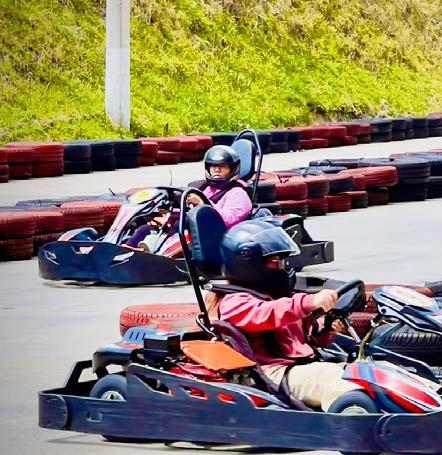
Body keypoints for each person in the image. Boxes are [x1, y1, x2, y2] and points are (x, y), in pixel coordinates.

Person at [208, 221, 362, 412]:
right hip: (274, 372)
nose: (281, 267)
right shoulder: (234, 302)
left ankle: (389, 407)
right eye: (274, 261)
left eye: (282, 260)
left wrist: (328, 331)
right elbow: (268, 313)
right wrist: (309, 302)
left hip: (301, 366)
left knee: (364, 371)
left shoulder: (274, 297)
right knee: (332, 379)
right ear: (247, 264)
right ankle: (357, 417)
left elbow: (305, 341)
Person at [125, 145, 252, 251]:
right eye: (213, 166)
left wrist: (202, 203)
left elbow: (230, 219)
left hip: (214, 238)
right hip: (187, 230)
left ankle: (151, 253)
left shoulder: (238, 193)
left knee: (180, 230)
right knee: (144, 229)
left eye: (223, 166)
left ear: (232, 169)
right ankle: (125, 250)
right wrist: (169, 211)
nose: (217, 170)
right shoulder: (203, 188)